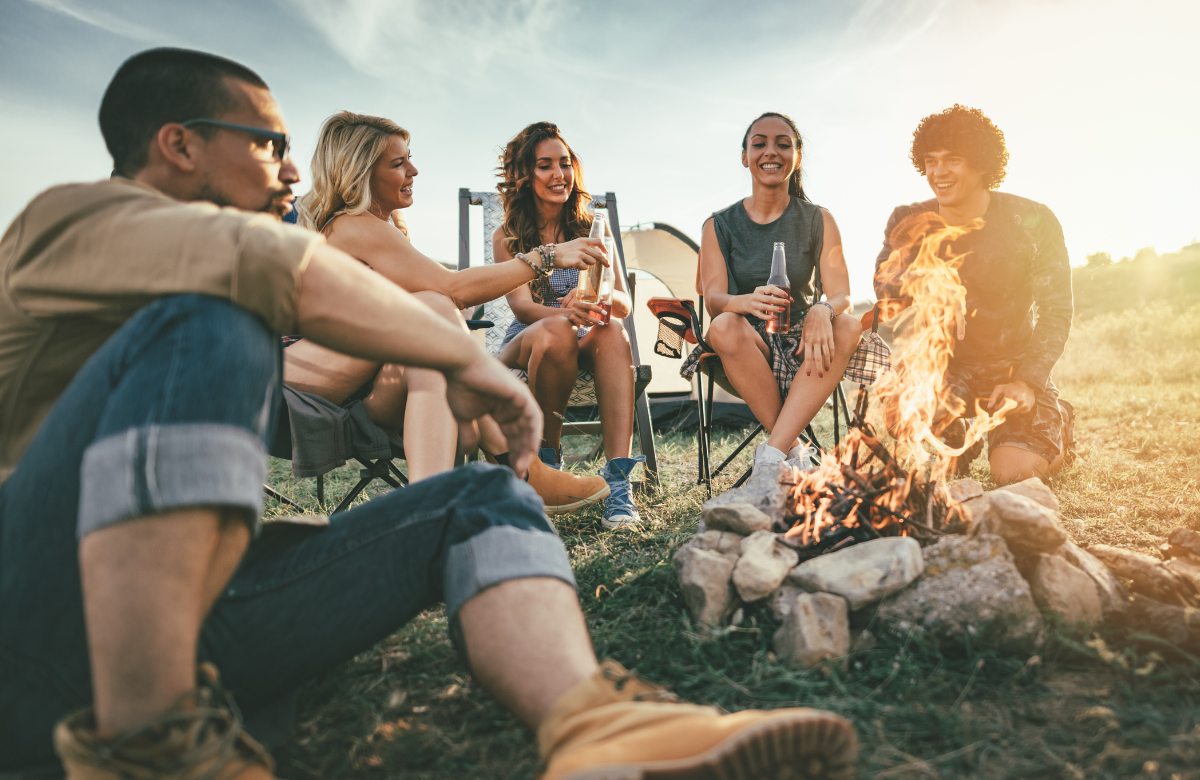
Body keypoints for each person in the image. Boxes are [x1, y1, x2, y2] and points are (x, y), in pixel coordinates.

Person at [0, 48, 858, 779]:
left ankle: (595, 725)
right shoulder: (69, 220)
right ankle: (154, 741)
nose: (293, 170)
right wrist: (458, 355)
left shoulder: (267, 247)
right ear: (178, 145)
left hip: (199, 620)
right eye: (269, 145)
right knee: (211, 314)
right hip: (30, 606)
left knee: (479, 499)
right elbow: (274, 269)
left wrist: (455, 354)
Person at [284, 111, 608, 513]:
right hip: (300, 377)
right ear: (361, 172)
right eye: (398, 162)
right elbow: (451, 289)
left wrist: (454, 303)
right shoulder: (352, 225)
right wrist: (547, 255)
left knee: (433, 356)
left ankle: (432, 517)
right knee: (435, 307)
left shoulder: (382, 229)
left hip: (363, 390)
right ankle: (521, 467)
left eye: (410, 159)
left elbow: (451, 294)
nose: (414, 170)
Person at [874, 104, 1075, 484]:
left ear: (982, 164)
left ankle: (1058, 422)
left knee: (1014, 473)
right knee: (907, 420)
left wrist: (1028, 382)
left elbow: (1056, 311)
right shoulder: (907, 219)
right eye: (931, 161)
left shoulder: (1032, 221)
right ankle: (957, 443)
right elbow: (885, 285)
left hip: (1013, 367)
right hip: (943, 368)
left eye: (953, 160)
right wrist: (927, 280)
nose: (938, 172)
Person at [683, 112, 866, 469]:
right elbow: (715, 301)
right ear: (744, 156)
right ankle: (792, 451)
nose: (771, 152)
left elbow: (842, 294)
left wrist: (821, 310)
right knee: (722, 325)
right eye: (760, 143)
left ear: (797, 156)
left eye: (784, 144)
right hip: (746, 351)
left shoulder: (818, 218)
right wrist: (747, 301)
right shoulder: (718, 225)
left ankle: (773, 458)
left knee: (848, 325)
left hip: (805, 347)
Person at [492, 122, 644, 529]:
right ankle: (547, 467)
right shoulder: (508, 236)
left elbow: (623, 304)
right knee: (558, 331)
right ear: (525, 175)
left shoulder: (592, 228)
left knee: (612, 329)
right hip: (529, 339)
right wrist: (567, 314)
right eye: (545, 165)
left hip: (585, 336)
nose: (558, 175)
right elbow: (523, 309)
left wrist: (601, 299)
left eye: (564, 163)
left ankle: (617, 481)